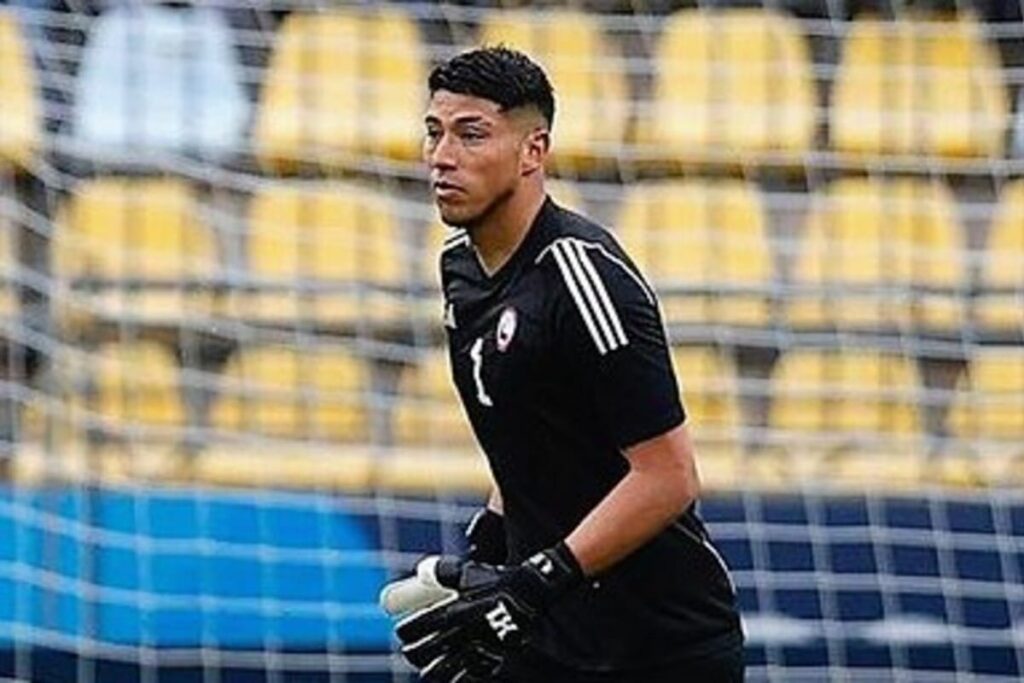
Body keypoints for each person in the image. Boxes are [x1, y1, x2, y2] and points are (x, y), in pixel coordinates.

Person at [383, 46, 744, 682]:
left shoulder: (583, 277)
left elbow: (668, 476)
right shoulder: (460, 270)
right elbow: (530, 433)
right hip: (547, 636)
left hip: (659, 648)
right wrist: (487, 550)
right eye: (434, 133)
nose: (442, 157)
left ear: (533, 152)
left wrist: (535, 582)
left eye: (472, 135)